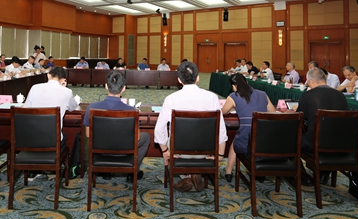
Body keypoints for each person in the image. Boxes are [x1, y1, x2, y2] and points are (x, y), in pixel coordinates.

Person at [154, 61, 227, 192]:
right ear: (198, 78)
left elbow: (159, 129)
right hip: (205, 152)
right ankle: (193, 174)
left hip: (179, 153)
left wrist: (165, 151)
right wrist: (220, 155)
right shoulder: (212, 98)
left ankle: (187, 176)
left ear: (179, 80)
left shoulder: (171, 99)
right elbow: (221, 129)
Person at [83, 70, 150, 182]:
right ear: (123, 88)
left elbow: (88, 134)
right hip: (124, 150)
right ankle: (133, 171)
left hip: (101, 150)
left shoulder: (91, 108)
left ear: (106, 86)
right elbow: (137, 137)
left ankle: (105, 171)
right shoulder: (132, 111)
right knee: (146, 137)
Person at [294, 68, 348, 185]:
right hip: (341, 145)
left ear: (311, 81)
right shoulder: (341, 96)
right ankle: (324, 173)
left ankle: (303, 177)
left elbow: (298, 120)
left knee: (289, 139)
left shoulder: (308, 95)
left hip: (315, 144)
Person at [222, 73, 275, 182]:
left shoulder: (233, 96)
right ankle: (260, 171)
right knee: (249, 137)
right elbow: (273, 112)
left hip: (247, 141)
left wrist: (233, 108)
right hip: (264, 140)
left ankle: (228, 172)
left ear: (234, 87)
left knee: (235, 142)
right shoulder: (263, 94)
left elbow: (222, 112)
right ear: (247, 82)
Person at [24, 67, 78, 142]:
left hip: (32, 136)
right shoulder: (67, 91)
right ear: (63, 80)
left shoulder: (35, 88)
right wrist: (63, 88)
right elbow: (72, 107)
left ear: (48, 75)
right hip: (53, 139)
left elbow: (26, 108)